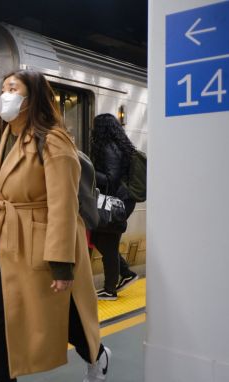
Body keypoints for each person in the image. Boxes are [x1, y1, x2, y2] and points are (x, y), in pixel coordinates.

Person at [0, 71, 110, 382]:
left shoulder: (53, 140)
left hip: (41, 245)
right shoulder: (6, 135)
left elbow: (63, 205)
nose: (5, 95)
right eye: (3, 89)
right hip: (6, 239)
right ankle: (1, 377)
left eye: (13, 89)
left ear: (31, 99)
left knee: (67, 316)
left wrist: (60, 264)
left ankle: (96, 356)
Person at [90, 113, 139, 301]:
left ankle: (110, 289)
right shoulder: (117, 147)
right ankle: (126, 273)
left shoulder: (110, 148)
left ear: (102, 128)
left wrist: (87, 169)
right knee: (101, 239)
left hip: (116, 204)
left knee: (107, 243)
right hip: (119, 201)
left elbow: (111, 179)